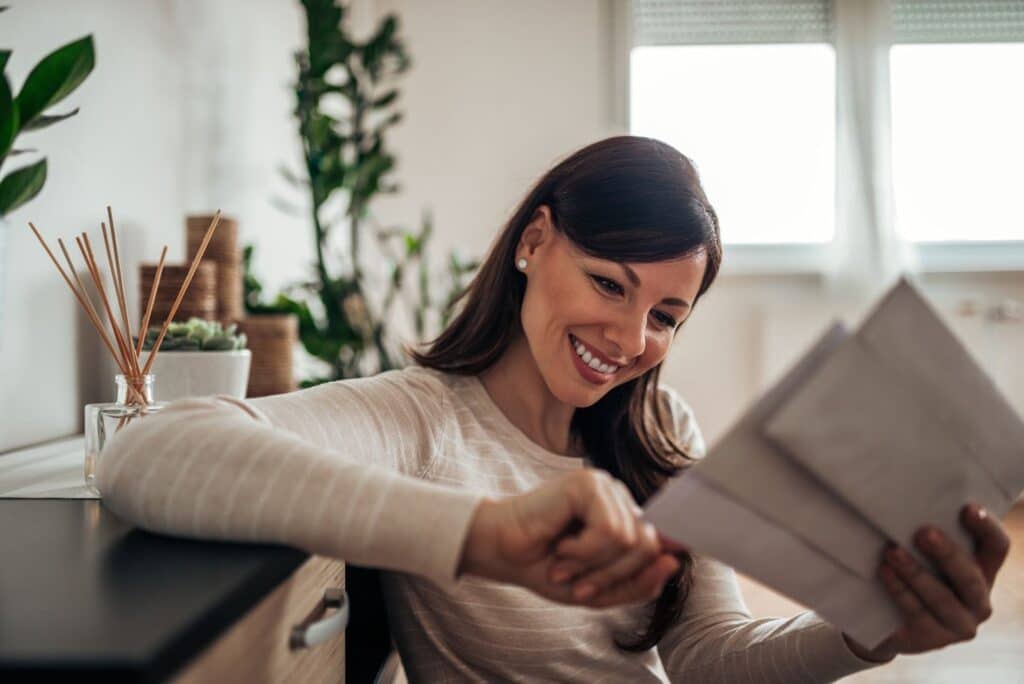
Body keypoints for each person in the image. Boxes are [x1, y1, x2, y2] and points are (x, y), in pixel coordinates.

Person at [97, 136, 1009, 682]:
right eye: (608, 283)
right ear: (535, 242)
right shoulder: (422, 419)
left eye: (665, 315)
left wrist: (864, 633)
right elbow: (147, 454)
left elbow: (707, 659)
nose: (629, 336)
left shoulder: (659, 432)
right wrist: (490, 533)